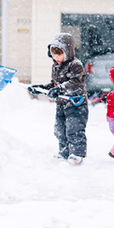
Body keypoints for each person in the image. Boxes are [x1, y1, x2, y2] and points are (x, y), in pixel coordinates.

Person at [28, 33, 88, 165]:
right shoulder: (55, 66)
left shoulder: (75, 65)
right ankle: (64, 152)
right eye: (53, 54)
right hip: (61, 105)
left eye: (59, 54)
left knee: (74, 130)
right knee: (60, 130)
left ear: (67, 51)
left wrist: (60, 89)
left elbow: (75, 82)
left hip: (76, 104)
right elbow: (54, 84)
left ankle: (77, 154)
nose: (56, 57)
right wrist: (39, 88)